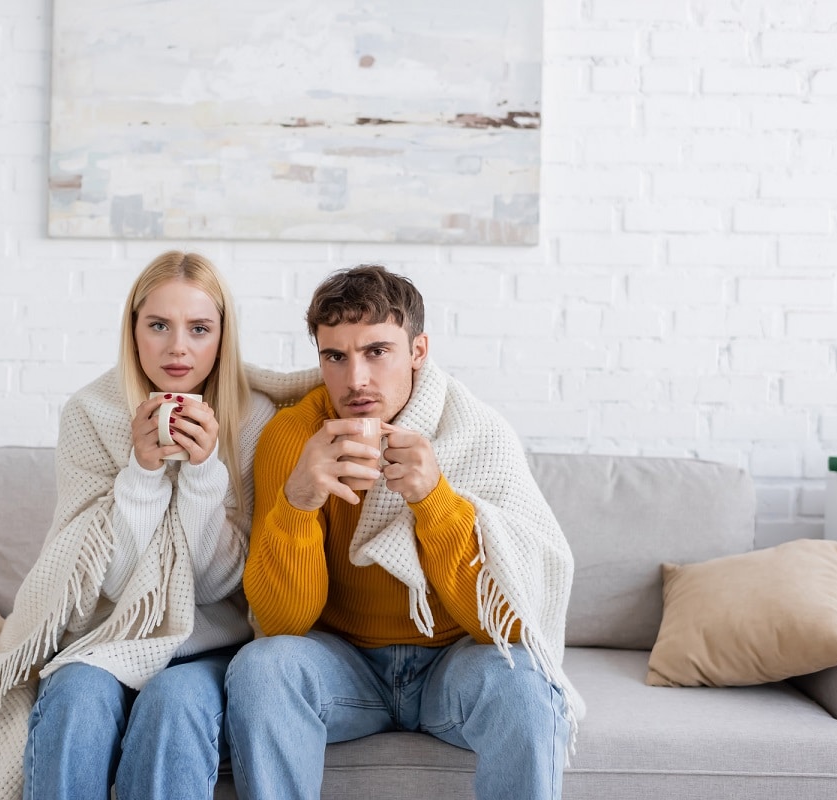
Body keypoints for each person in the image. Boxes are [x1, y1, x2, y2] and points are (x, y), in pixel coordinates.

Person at [225, 265, 581, 800]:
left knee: (526, 683)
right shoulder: (293, 436)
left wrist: (433, 500)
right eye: (335, 357)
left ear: (418, 350)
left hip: (453, 665)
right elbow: (281, 623)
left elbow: (509, 625)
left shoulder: (475, 433)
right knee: (261, 666)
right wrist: (299, 504)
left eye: (377, 351)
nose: (356, 380)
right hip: (344, 668)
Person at [21, 250, 275, 799]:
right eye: (158, 325)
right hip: (109, 634)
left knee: (173, 704)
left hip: (209, 643)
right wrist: (141, 473)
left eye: (199, 328)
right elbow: (106, 584)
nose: (178, 346)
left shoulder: (255, 418)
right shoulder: (91, 412)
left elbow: (216, 587)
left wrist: (205, 473)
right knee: (75, 700)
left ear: (222, 336)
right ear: (133, 330)